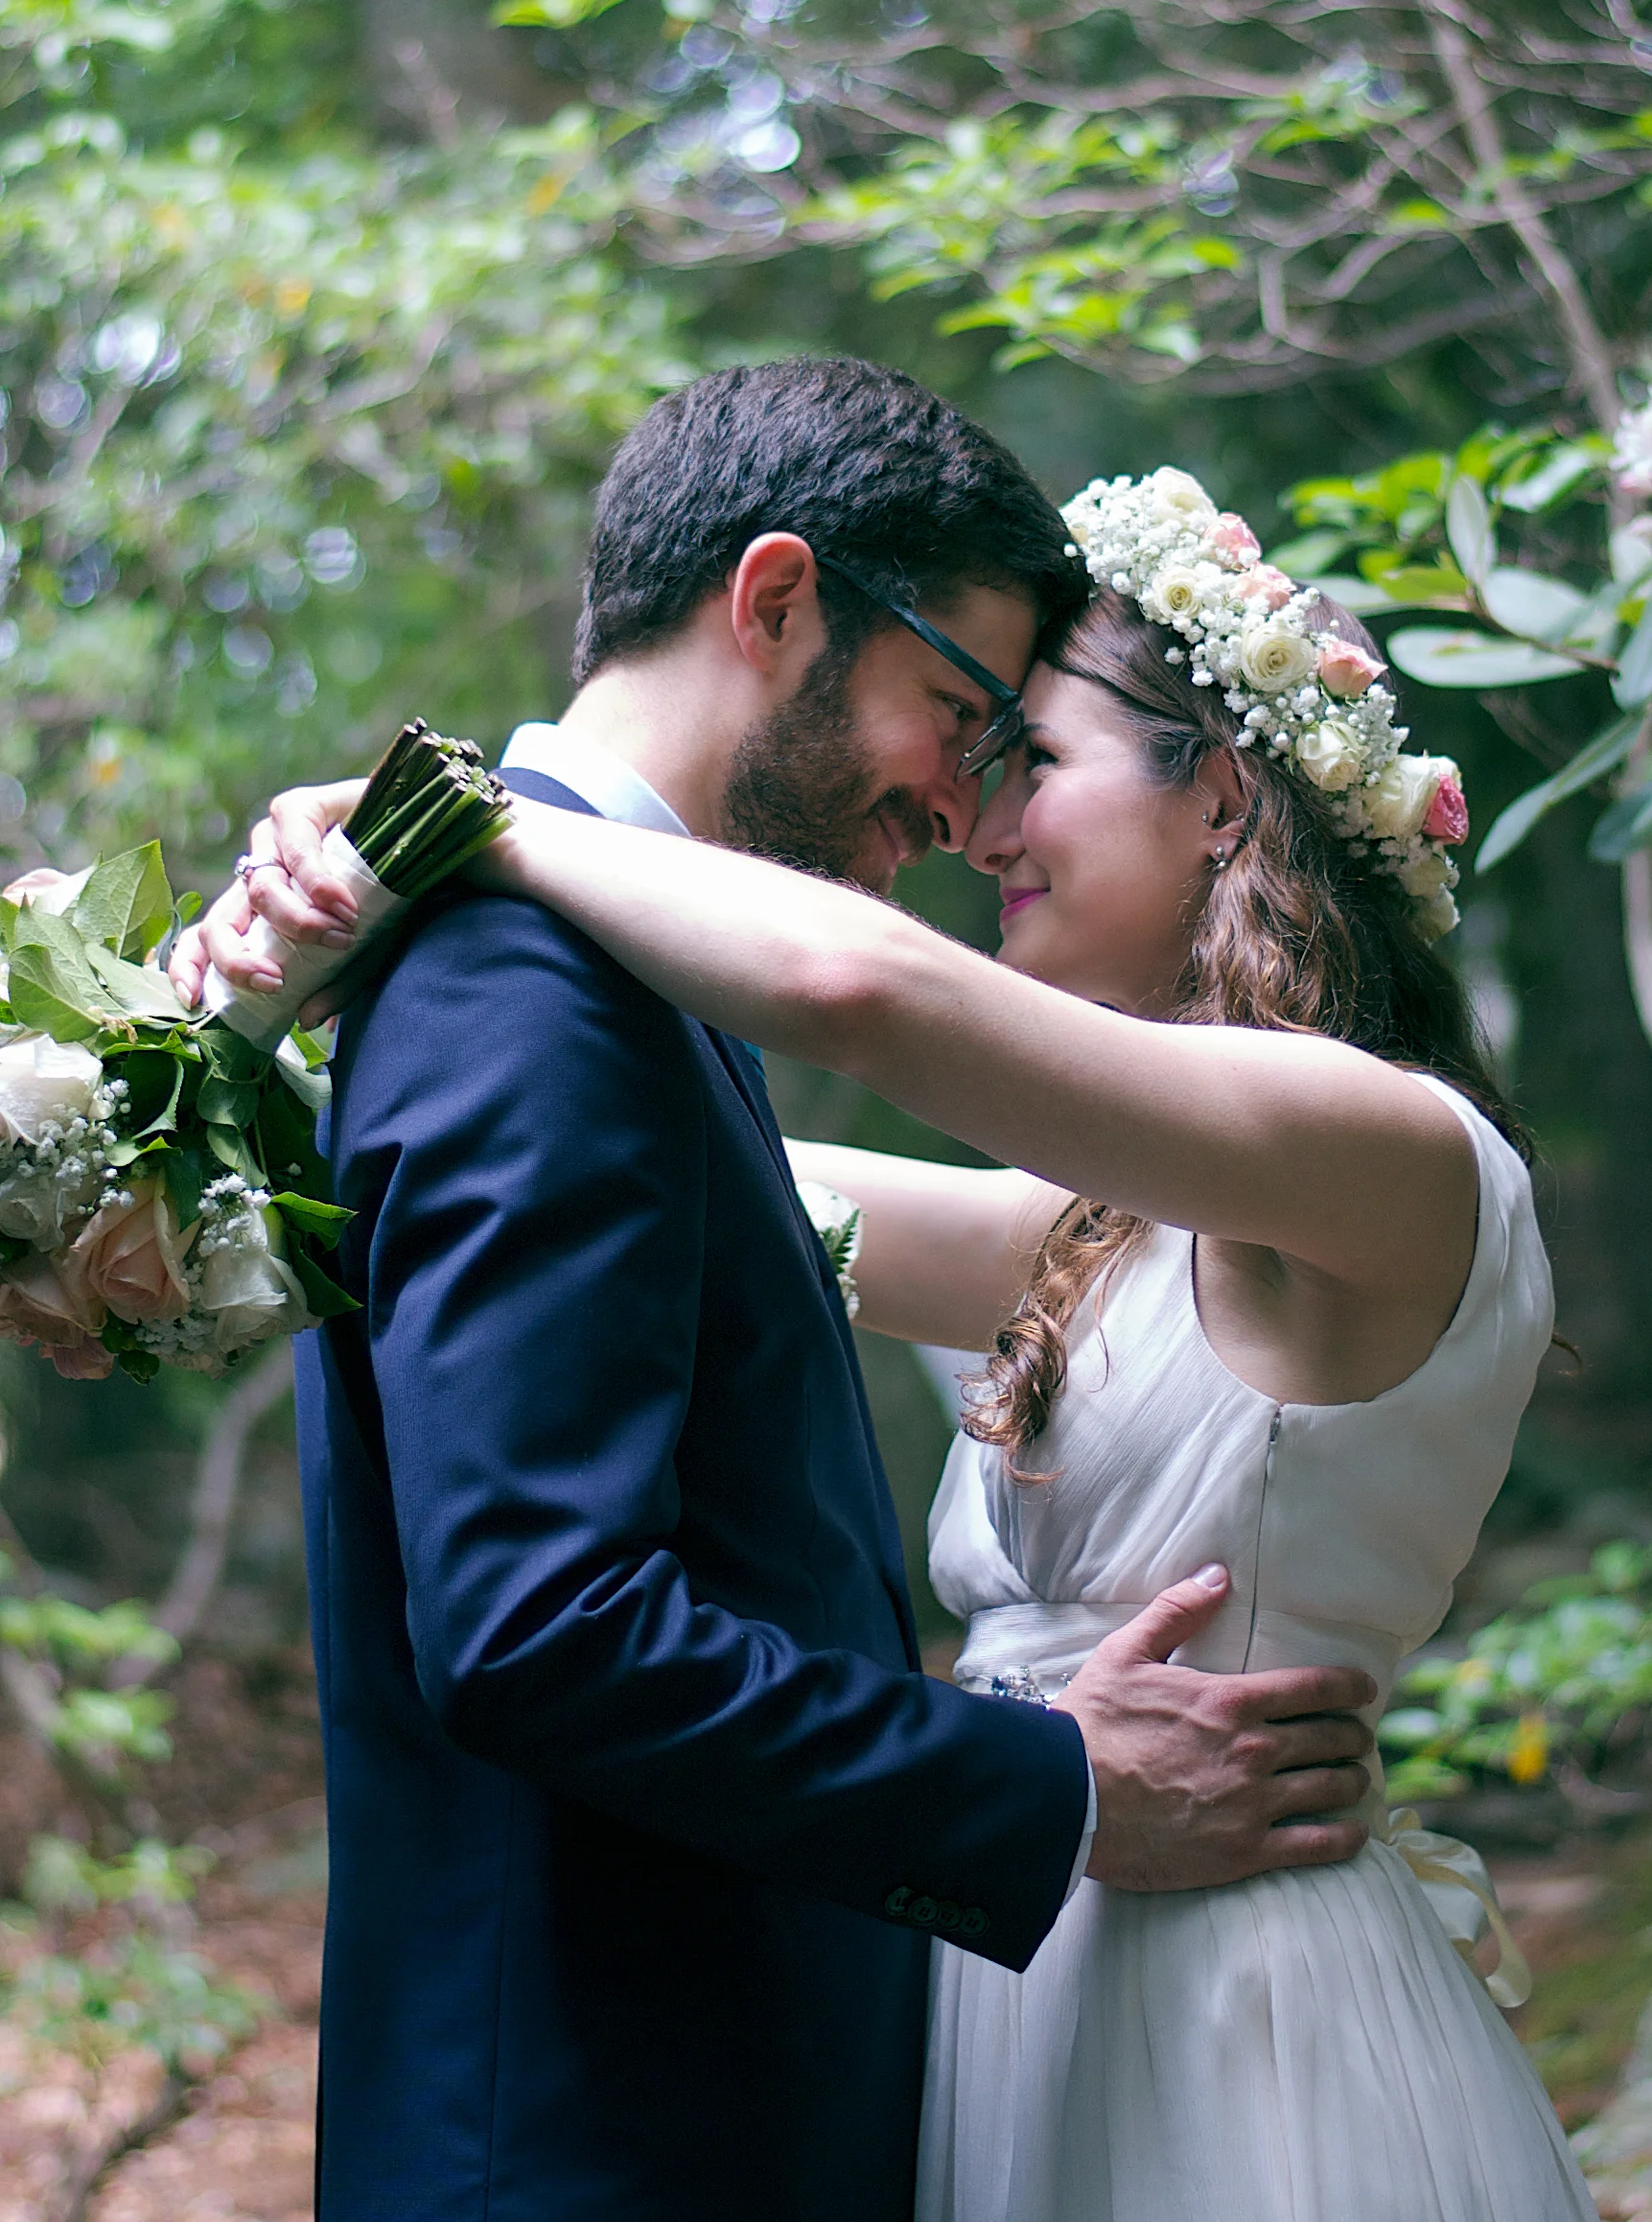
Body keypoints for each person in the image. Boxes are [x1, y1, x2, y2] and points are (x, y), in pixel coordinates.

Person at [175, 381, 1380, 2222]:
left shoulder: (605, 972)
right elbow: (543, 1628)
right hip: (595, 2143)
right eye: (958, 713)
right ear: (775, 601)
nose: (956, 801)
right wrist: (1044, 1789)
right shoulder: (526, 981)